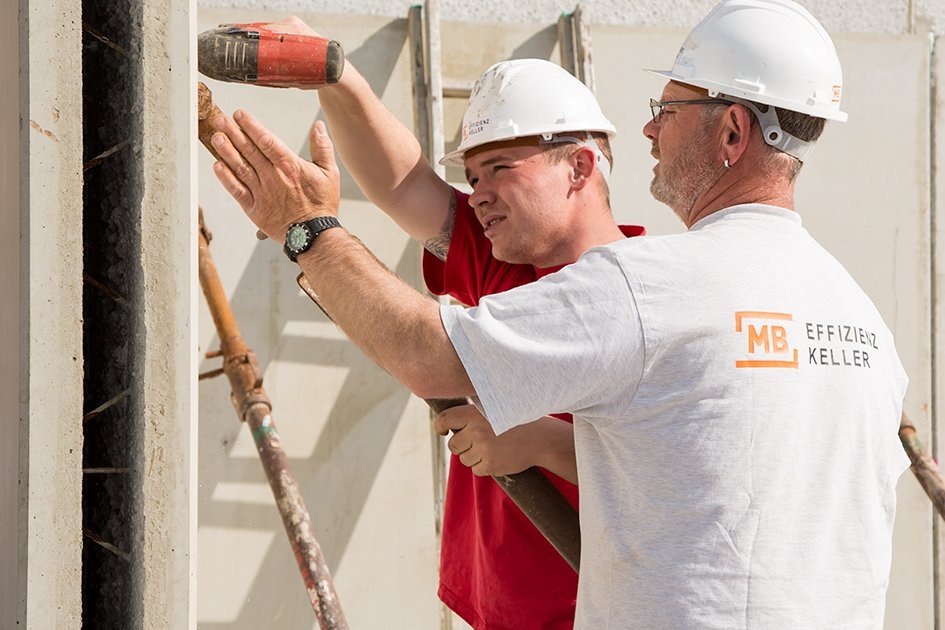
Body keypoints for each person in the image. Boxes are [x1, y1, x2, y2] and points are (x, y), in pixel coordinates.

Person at [211, 0, 908, 626]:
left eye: (666, 112)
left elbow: (429, 354)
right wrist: (337, 75)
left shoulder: (650, 288)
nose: (647, 130)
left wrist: (304, 227)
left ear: (731, 132)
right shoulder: (860, 321)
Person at [239, 17, 644, 628]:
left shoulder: (643, 295)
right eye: (473, 176)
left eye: (501, 168)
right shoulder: (507, 261)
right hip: (490, 607)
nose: (478, 193)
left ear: (581, 168)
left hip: (586, 614)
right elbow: (404, 185)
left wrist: (538, 441)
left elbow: (674, 465)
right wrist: (336, 74)